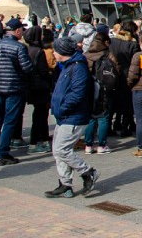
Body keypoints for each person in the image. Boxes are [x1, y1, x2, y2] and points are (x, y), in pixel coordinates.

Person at [44, 37, 98, 198]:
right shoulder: (68, 66)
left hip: (74, 115)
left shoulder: (78, 68)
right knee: (58, 150)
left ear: (63, 52)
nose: (53, 53)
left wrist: (62, 107)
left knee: (62, 149)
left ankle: (88, 172)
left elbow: (77, 93)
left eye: (56, 50)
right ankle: (65, 183)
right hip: (65, 115)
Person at [0, 18, 34, 165]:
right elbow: (27, 68)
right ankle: (2, 152)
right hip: (14, 87)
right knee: (9, 121)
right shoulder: (19, 47)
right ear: (18, 31)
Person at [84, 32, 117, 154]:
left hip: (89, 89)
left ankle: (88, 145)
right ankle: (101, 145)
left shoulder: (86, 55)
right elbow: (116, 70)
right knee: (103, 117)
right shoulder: (107, 54)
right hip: (104, 89)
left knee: (90, 117)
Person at [22, 26, 53, 153]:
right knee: (41, 115)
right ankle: (37, 141)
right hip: (40, 86)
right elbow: (43, 71)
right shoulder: (39, 51)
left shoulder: (28, 49)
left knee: (38, 114)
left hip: (32, 86)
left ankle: (39, 140)